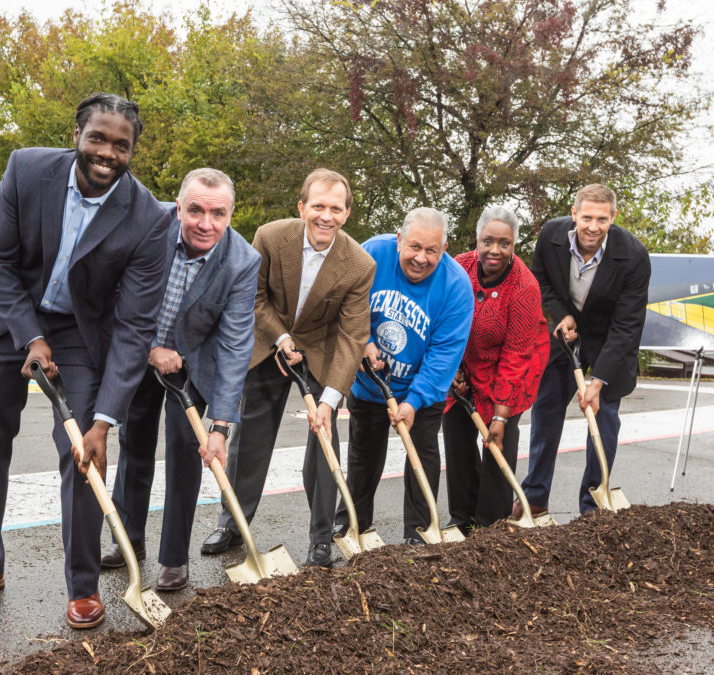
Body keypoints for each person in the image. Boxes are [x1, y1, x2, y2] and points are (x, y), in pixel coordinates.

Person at [0, 93, 171, 629]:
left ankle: (83, 586)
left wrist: (106, 419)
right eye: (98, 138)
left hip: (81, 334)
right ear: (78, 135)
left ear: (132, 152)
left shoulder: (151, 220)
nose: (107, 152)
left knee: (83, 453)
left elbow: (133, 327)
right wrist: (30, 336)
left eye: (121, 145)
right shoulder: (27, 168)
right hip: (8, 316)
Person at [199, 168, 375, 568]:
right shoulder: (271, 237)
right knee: (251, 438)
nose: (325, 216)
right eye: (317, 206)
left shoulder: (359, 265)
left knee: (324, 440)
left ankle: (320, 538)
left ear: (346, 213)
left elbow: (351, 335)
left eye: (335, 208)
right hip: (270, 340)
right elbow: (254, 298)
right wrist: (280, 338)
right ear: (302, 207)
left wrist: (330, 401)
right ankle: (233, 523)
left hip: (321, 348)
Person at [101, 168, 260, 592]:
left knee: (185, 454)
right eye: (195, 211)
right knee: (134, 444)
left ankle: (173, 558)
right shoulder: (147, 229)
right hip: (140, 349)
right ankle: (126, 540)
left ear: (230, 215)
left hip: (193, 363)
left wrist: (221, 426)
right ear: (178, 207)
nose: (205, 223)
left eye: (217, 213)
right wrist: (150, 348)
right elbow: (113, 291)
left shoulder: (243, 262)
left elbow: (234, 346)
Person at [335, 207, 473, 545]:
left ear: (444, 248)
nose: (421, 258)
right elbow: (349, 306)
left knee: (422, 456)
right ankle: (351, 523)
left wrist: (414, 401)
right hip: (370, 382)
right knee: (363, 455)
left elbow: (444, 355)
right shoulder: (371, 254)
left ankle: (419, 531)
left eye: (431, 251)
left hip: (422, 390)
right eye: (414, 247)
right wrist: (364, 342)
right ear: (398, 240)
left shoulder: (457, 287)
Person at [516, 184, 651, 516]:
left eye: (602, 219)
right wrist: (561, 315)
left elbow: (627, 325)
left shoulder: (633, 256)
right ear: (574, 214)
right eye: (587, 217)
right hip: (566, 334)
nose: (593, 226)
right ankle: (535, 497)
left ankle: (592, 504)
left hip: (609, 340)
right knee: (546, 409)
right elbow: (540, 280)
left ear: (613, 217)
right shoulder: (551, 235)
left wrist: (599, 380)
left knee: (604, 418)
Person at [442, 206, 549, 532]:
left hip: (514, 363)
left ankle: (492, 522)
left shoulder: (524, 287)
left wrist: (500, 416)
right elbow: (446, 320)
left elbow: (516, 355)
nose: (495, 250)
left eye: (505, 243)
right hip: (464, 360)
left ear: (514, 243)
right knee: (457, 434)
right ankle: (462, 518)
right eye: (488, 241)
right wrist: (455, 370)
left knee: (498, 441)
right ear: (478, 239)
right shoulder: (459, 267)